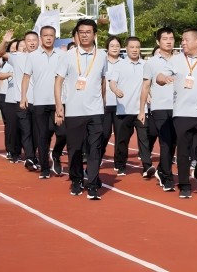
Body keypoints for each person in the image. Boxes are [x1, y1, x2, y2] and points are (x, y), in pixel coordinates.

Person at [156, 27, 197, 198]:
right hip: (181, 114)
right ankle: (184, 185)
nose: (183, 43)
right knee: (183, 151)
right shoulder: (176, 60)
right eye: (182, 40)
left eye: (186, 40)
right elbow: (160, 77)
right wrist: (163, 79)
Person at [54, 19, 107, 200]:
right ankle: (76, 180)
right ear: (77, 34)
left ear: (95, 34)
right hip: (74, 111)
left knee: (95, 149)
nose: (85, 35)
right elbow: (58, 81)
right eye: (81, 32)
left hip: (96, 111)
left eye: (88, 32)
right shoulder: (68, 56)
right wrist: (59, 105)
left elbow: (103, 81)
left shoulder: (102, 55)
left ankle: (92, 184)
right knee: (75, 149)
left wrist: (103, 104)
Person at [21, 25, 66, 178]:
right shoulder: (32, 56)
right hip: (39, 102)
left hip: (58, 101)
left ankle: (56, 154)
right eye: (45, 35)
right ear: (41, 38)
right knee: (42, 136)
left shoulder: (62, 55)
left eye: (51, 35)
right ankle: (45, 169)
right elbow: (26, 77)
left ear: (55, 38)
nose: (48, 38)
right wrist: (23, 97)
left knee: (63, 133)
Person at [139, 27, 178, 191]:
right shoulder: (151, 63)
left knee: (174, 142)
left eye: (171, 38)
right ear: (158, 41)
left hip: (178, 107)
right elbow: (145, 86)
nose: (169, 41)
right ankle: (167, 177)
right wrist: (142, 110)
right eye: (165, 38)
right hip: (160, 107)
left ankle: (162, 169)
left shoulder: (180, 60)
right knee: (165, 142)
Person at [111, 37, 152, 178]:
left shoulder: (146, 65)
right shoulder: (119, 65)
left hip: (141, 110)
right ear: (126, 48)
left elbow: (148, 84)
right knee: (122, 140)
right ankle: (121, 164)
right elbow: (112, 82)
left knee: (144, 139)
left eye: (137, 47)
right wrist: (115, 89)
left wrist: (150, 95)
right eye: (132, 47)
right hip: (124, 110)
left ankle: (147, 166)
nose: (135, 50)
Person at [0, 30, 40, 170]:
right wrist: (5, 41)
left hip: (39, 101)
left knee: (37, 133)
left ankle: (33, 155)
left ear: (38, 41)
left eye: (34, 40)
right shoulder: (16, 57)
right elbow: (1, 53)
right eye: (28, 41)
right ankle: (30, 158)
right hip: (22, 101)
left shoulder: (43, 57)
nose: (31, 43)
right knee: (26, 131)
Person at [102, 36, 122, 173]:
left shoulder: (124, 63)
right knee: (104, 133)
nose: (115, 48)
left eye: (117, 45)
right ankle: (98, 154)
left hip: (121, 105)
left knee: (120, 136)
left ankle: (119, 163)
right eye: (112, 45)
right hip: (104, 104)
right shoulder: (102, 62)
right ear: (107, 48)